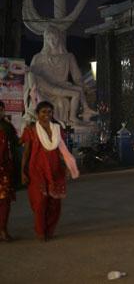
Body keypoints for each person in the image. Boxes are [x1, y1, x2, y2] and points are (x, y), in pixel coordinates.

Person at [21, 101, 79, 241]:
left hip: (55, 170)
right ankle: (40, 231)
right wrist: (22, 171)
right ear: (37, 114)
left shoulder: (57, 129)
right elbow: (26, 153)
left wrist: (66, 166)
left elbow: (62, 150)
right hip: (37, 170)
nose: (46, 115)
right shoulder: (31, 130)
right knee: (40, 202)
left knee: (55, 203)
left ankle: (50, 229)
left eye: (49, 112)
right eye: (43, 112)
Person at [0, 101, 18, 241]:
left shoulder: (8, 127)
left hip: (4, 170)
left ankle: (3, 229)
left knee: (4, 202)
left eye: (1, 109)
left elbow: (16, 146)